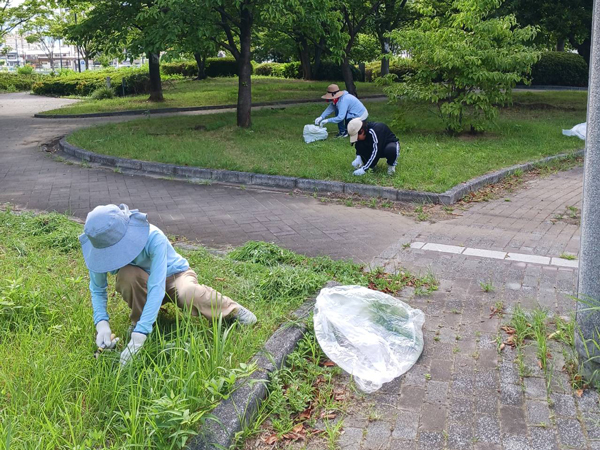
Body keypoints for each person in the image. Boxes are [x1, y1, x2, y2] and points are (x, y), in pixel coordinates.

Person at [79, 204, 257, 366]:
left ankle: (230, 309)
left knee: (188, 293)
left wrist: (138, 337)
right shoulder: (100, 246)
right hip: (141, 281)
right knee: (127, 275)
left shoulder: (153, 236)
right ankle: (143, 321)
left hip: (174, 276)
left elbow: (157, 286)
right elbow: (97, 288)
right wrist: (101, 324)